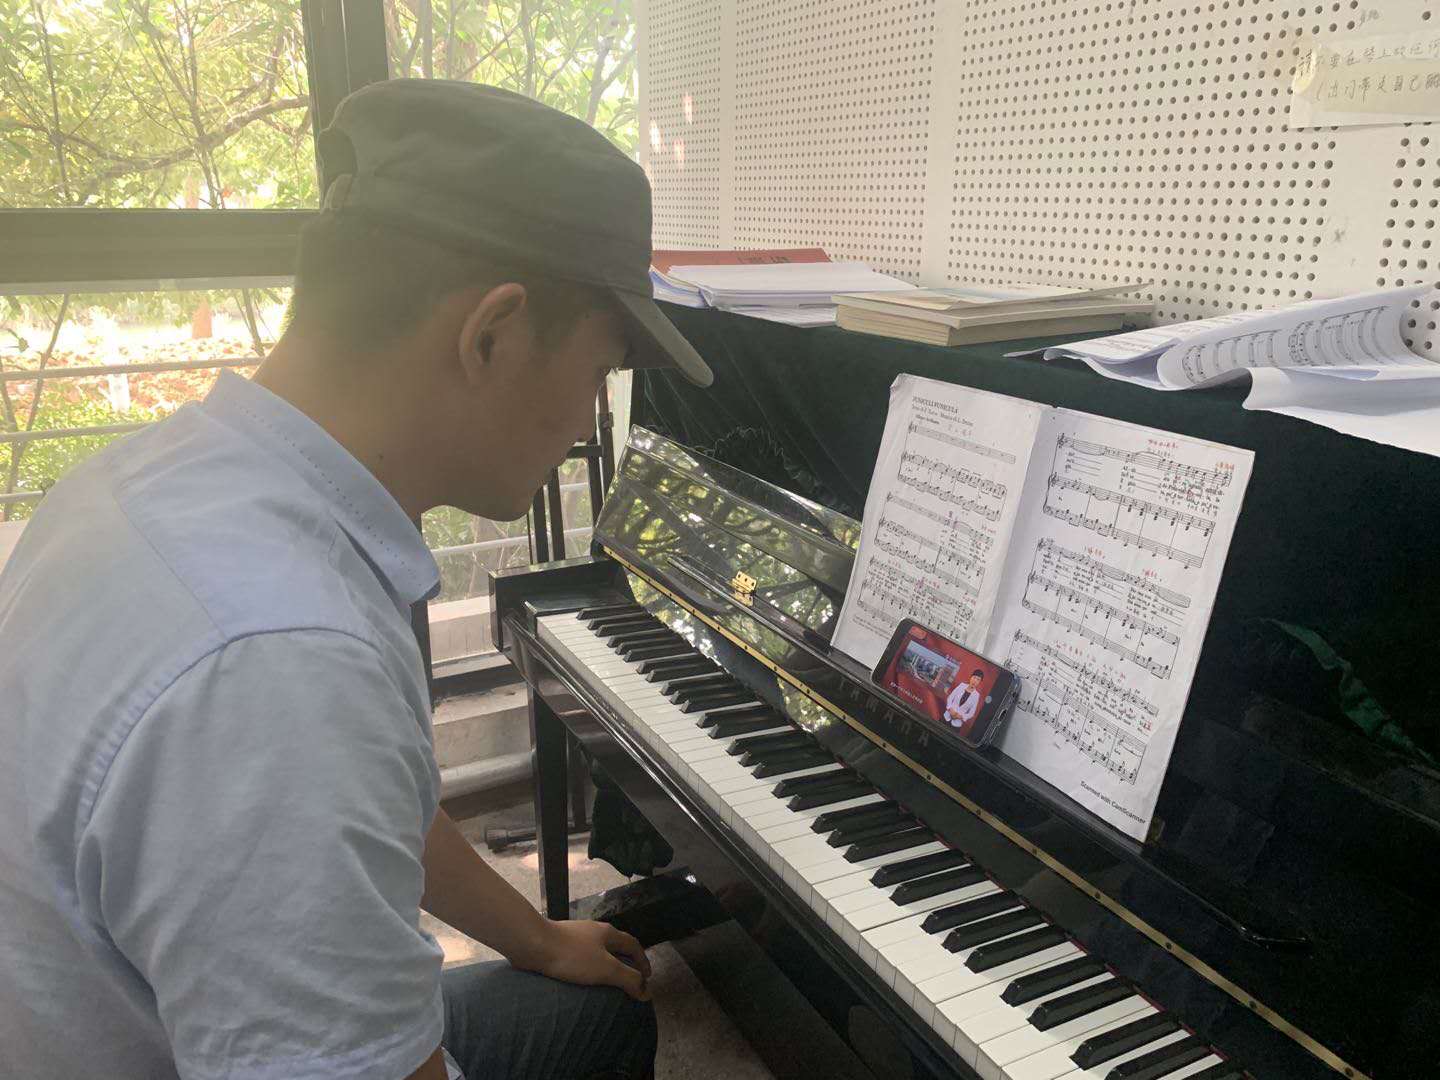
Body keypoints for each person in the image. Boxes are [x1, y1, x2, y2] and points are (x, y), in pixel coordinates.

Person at [0, 80, 712, 1080]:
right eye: (600, 371)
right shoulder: (282, 664)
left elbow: (370, 803)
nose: (592, 419)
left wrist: (539, 937)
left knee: (596, 1015)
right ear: (492, 336)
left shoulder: (149, 478)